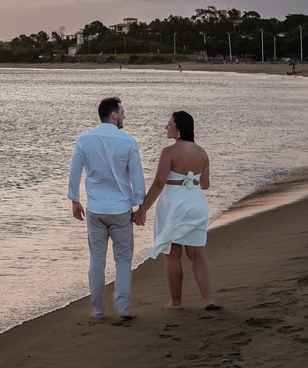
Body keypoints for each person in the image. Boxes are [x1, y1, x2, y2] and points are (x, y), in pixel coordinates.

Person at [68, 96, 146, 320]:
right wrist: (141, 207)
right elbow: (137, 178)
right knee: (123, 259)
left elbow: (75, 172)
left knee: (97, 261)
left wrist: (75, 200)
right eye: (122, 112)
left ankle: (98, 311)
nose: (124, 116)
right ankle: (122, 309)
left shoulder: (84, 139)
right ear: (113, 115)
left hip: (96, 209)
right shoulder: (128, 141)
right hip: (120, 209)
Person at [133, 111, 219, 310]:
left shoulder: (168, 152)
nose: (166, 127)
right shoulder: (202, 152)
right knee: (197, 254)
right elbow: (205, 185)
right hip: (196, 203)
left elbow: (159, 183)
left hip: (173, 203)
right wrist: (191, 178)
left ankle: (176, 302)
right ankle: (209, 300)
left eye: (169, 123)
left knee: (173, 254)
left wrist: (142, 210)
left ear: (178, 129)